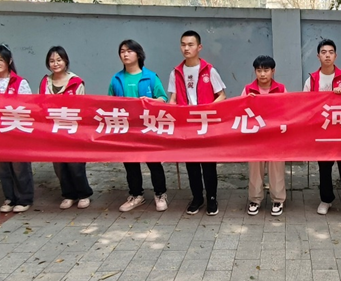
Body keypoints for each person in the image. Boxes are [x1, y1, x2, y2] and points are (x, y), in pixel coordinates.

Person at [168, 30, 227, 216]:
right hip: (186, 126)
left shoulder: (209, 70)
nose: (186, 48)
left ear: (199, 47)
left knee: (208, 164)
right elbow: (173, 99)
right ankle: (197, 198)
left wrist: (207, 108)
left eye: (190, 44)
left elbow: (222, 96)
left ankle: (212, 198)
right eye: (183, 44)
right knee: (191, 164)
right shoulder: (176, 72)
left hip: (206, 124)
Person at [108, 40, 170, 213]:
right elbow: (109, 103)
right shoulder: (116, 79)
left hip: (147, 127)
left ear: (138, 54)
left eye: (129, 51)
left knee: (154, 162)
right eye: (122, 51)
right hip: (126, 128)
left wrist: (151, 101)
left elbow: (163, 99)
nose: (125, 54)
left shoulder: (150, 77)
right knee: (130, 164)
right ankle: (136, 195)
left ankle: (160, 193)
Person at [303, 39, 341, 222]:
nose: (327, 55)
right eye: (323, 52)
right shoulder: (312, 79)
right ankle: (326, 199)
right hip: (322, 131)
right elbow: (305, 104)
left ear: (336, 55)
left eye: (330, 52)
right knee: (324, 168)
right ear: (318, 56)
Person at [0, 44, 34, 213]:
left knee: (20, 167)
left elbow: (28, 107)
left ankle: (24, 198)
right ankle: (9, 197)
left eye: (0, 59)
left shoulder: (20, 82)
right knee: (2, 168)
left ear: (9, 61)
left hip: (16, 131)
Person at [40, 46, 93, 209]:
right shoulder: (45, 82)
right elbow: (40, 105)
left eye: (59, 60)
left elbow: (82, 107)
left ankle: (83, 194)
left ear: (65, 61)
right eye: (52, 61)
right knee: (59, 165)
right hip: (53, 130)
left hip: (73, 130)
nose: (55, 64)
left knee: (75, 164)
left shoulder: (76, 82)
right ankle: (69, 194)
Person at [243, 55, 288, 216]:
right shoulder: (248, 90)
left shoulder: (281, 89)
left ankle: (278, 199)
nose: (262, 74)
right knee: (255, 170)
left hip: (275, 137)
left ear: (273, 71)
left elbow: (288, 110)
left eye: (266, 70)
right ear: (255, 71)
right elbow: (240, 111)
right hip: (255, 137)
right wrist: (247, 101)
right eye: (259, 70)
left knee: (276, 169)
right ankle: (255, 199)